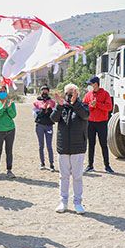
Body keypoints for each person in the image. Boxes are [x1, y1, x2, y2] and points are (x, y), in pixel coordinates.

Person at [50, 83, 90, 214]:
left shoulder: (82, 105)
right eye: (67, 93)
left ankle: (78, 202)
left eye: (72, 93)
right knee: (63, 176)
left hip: (78, 147)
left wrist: (75, 104)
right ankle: (63, 201)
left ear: (77, 94)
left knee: (77, 176)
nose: (69, 95)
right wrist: (59, 106)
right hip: (63, 147)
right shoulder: (62, 107)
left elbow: (85, 115)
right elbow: (53, 119)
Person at [83, 76, 114, 173]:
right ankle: (90, 165)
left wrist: (97, 104)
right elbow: (83, 108)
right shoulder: (88, 95)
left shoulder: (105, 94)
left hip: (102, 123)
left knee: (103, 144)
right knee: (91, 144)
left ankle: (107, 166)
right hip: (90, 122)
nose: (90, 86)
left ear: (96, 84)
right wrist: (90, 106)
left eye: (91, 84)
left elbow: (109, 107)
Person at [0, 85, 17, 179]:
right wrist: (3, 108)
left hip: (10, 130)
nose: (2, 92)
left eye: (4, 91)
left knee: (9, 151)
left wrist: (8, 108)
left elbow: (13, 115)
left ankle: (9, 170)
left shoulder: (11, 102)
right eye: (0, 91)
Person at [33, 85, 56, 172]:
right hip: (40, 126)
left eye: (46, 91)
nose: (44, 92)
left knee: (49, 145)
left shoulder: (52, 102)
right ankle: (42, 163)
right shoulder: (36, 102)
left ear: (48, 92)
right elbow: (34, 115)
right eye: (43, 91)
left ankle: (51, 164)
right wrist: (41, 111)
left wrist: (49, 110)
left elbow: (54, 114)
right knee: (41, 145)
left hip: (49, 125)